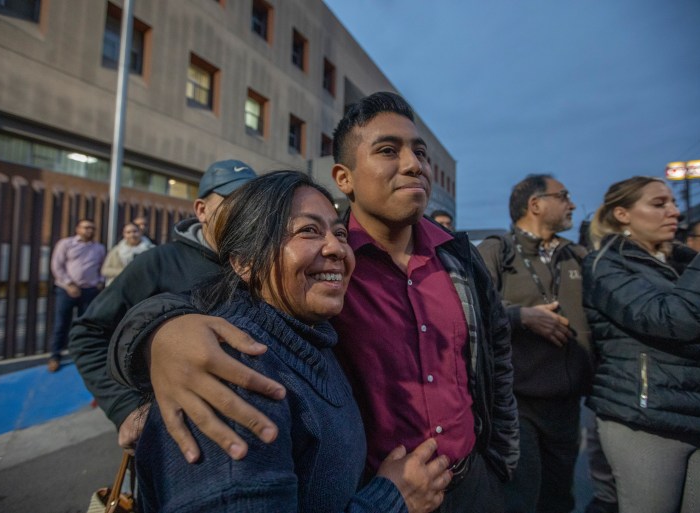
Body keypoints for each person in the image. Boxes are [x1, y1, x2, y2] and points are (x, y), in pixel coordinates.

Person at [109, 92, 518, 512]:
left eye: (420, 152)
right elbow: (190, 304)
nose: (415, 164)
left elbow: (494, 355)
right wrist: (164, 336)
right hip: (380, 489)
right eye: (388, 151)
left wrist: (501, 461)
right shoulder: (305, 284)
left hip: (472, 483)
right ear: (344, 177)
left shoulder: (459, 257)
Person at [116, 170, 450, 512]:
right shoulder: (233, 371)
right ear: (245, 261)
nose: (336, 248)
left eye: (339, 232)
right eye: (308, 230)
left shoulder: (309, 336)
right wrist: (393, 500)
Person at [69, 160, 256, 447]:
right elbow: (88, 334)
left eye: (254, 202)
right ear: (201, 210)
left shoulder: (265, 264)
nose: (246, 212)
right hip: (178, 442)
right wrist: (125, 408)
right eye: (234, 201)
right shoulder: (156, 263)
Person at [584, 176, 700, 513]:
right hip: (647, 420)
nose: (675, 212)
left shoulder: (686, 262)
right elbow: (672, 319)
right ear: (622, 214)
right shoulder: (608, 263)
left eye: (674, 203)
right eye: (659, 204)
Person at [477, 174, 593, 513]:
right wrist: (519, 317)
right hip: (516, 404)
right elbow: (471, 310)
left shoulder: (579, 256)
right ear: (535, 204)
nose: (571, 204)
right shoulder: (497, 251)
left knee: (559, 499)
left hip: (567, 405)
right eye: (563, 196)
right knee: (520, 498)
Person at [48, 218, 105, 372]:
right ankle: (55, 356)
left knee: (85, 324)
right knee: (61, 323)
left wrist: (100, 281)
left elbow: (102, 266)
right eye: (86, 227)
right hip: (66, 290)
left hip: (89, 290)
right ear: (77, 229)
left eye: (92, 228)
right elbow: (57, 266)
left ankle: (82, 355)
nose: (89, 230)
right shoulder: (66, 244)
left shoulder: (98, 247)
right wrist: (69, 284)